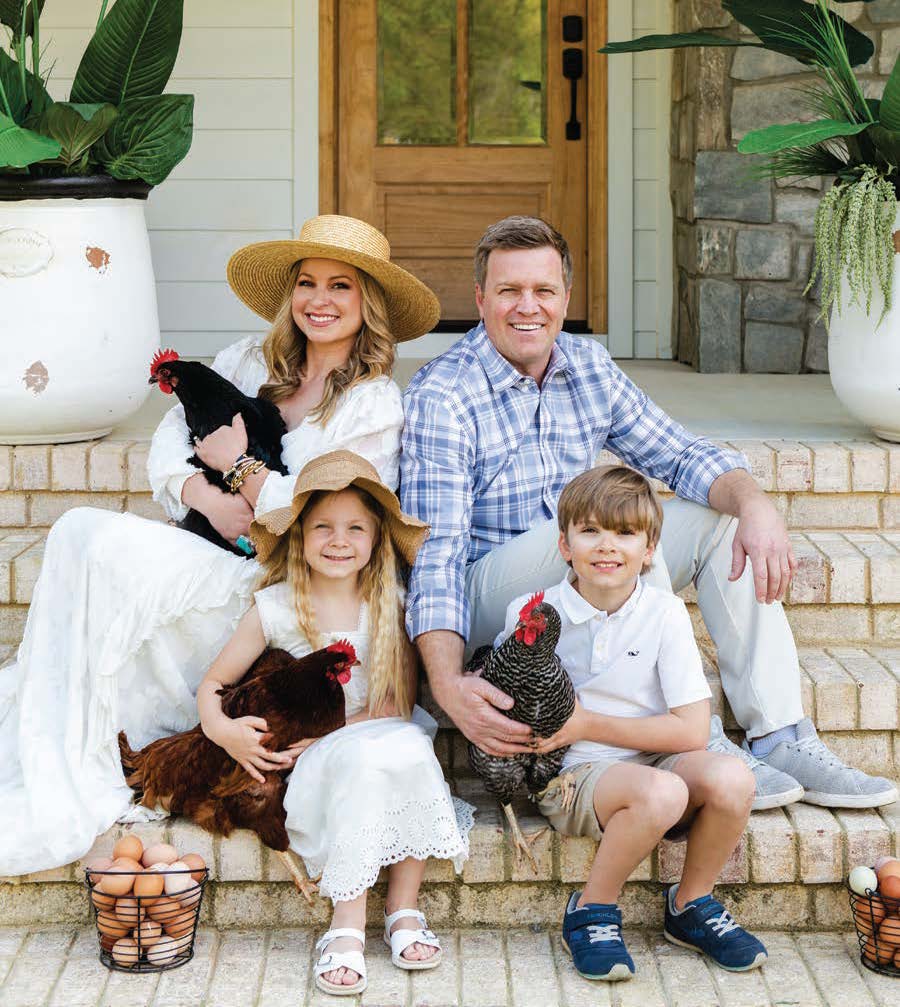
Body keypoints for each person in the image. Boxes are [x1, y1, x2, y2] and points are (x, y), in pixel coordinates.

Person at [400, 214, 896, 811]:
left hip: (573, 559)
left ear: (566, 298)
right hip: (489, 597)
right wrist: (446, 682)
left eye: (544, 290)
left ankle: (780, 734)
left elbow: (680, 454)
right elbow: (436, 557)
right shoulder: (443, 396)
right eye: (509, 290)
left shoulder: (586, 365)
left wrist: (755, 502)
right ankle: (700, 742)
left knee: (719, 523)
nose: (528, 307)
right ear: (481, 299)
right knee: (611, 537)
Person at [0, 215, 441, 877]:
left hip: (278, 578)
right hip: (212, 540)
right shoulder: (246, 361)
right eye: (307, 283)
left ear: (367, 303)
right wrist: (206, 498)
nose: (319, 300)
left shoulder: (372, 403)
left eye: (340, 286)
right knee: (80, 532)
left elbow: (326, 507)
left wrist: (239, 467)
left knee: (95, 540)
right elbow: (168, 444)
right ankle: (73, 725)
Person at [205, 450, 471, 997]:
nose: (338, 540)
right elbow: (212, 684)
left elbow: (398, 705)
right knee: (368, 761)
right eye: (323, 527)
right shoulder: (275, 608)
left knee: (409, 750)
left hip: (382, 735)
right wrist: (223, 730)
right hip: (314, 761)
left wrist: (340, 733)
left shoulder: (391, 604)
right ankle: (346, 921)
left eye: (355, 528)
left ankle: (402, 907)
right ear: (300, 536)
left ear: (375, 540)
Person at [512, 464, 765, 980]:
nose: (607, 545)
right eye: (590, 530)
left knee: (733, 777)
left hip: (654, 762)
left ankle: (691, 905)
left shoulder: (664, 612)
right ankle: (591, 910)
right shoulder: (535, 612)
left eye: (625, 532)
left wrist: (586, 722)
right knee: (662, 792)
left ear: (649, 550)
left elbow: (691, 732)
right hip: (574, 775)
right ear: (564, 545)